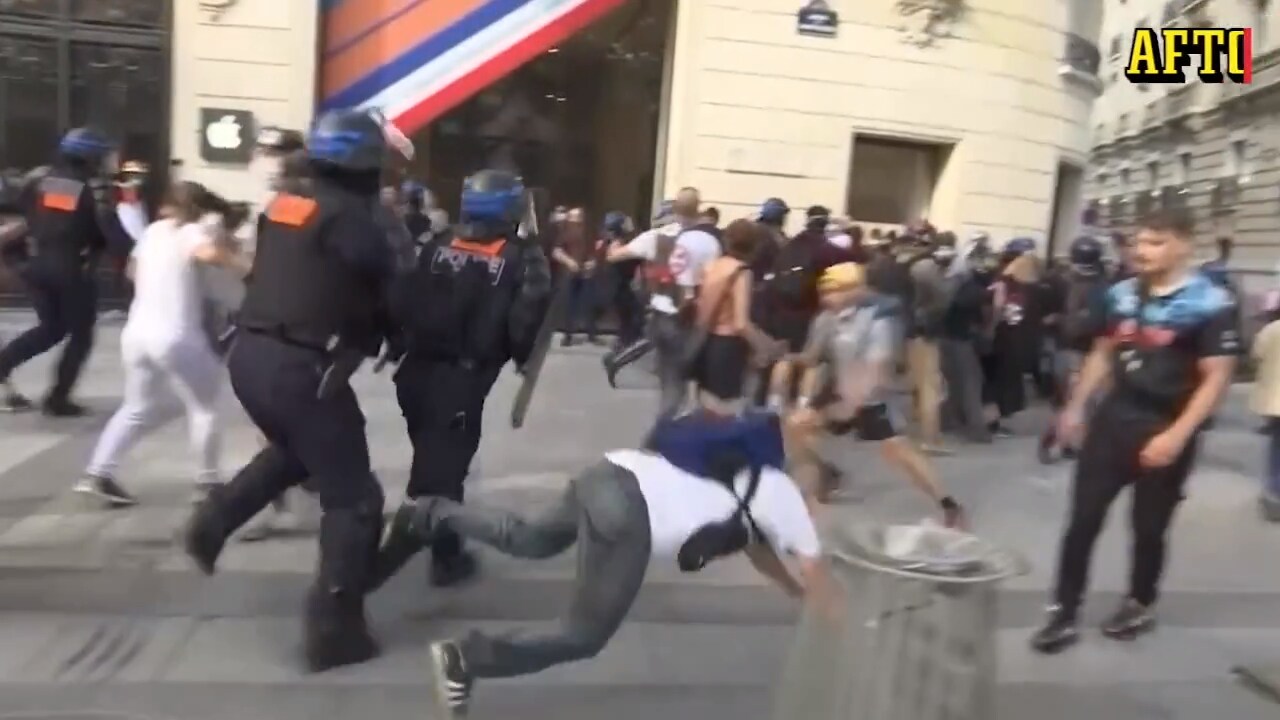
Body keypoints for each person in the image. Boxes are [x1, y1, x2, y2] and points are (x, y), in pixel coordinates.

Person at [402, 410, 826, 717]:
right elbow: (817, 576)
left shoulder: (750, 460)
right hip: (627, 516)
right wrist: (841, 614)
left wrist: (791, 590)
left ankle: (428, 512)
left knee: (529, 538)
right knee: (582, 636)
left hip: (610, 472)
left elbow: (758, 547)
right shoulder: (786, 496)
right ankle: (467, 659)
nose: (819, 502)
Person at [181, 108, 398, 672]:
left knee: (301, 451)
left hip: (250, 355)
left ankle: (215, 520)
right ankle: (332, 631)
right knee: (355, 499)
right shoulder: (351, 217)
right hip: (299, 367)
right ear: (364, 163)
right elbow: (389, 279)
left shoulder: (286, 203)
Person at [1031, 211, 1239, 654]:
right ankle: (1063, 613)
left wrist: (1177, 436)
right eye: (1139, 242)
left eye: (1156, 242)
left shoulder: (1211, 303)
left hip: (1165, 425)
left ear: (1184, 245)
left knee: (1148, 529)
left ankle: (1139, 602)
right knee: (1082, 522)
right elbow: (1103, 353)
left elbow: (1216, 379)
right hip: (1113, 422)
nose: (1142, 251)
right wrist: (1074, 410)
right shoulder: (1120, 295)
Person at [374, 169, 552, 590]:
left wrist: (396, 343)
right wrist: (523, 358)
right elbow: (523, 324)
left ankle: (446, 551)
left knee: (437, 463)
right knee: (437, 477)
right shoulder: (522, 257)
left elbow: (401, 295)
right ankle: (366, 577)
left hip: (414, 373)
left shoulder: (436, 243)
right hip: (462, 378)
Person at [77, 182, 249, 506]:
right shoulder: (194, 232)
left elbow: (131, 271)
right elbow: (209, 254)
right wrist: (249, 269)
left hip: (137, 335)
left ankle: (97, 473)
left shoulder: (153, 231)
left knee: (136, 407)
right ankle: (207, 481)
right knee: (205, 407)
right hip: (177, 337)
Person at [785, 262, 964, 525]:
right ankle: (827, 473)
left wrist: (854, 401)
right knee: (794, 426)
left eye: (833, 291)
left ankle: (948, 504)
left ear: (855, 290)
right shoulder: (825, 319)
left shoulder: (880, 319)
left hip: (873, 398)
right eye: (823, 292)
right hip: (837, 392)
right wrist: (784, 357)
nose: (826, 298)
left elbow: (879, 365)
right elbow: (812, 356)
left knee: (898, 453)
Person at [0, 128, 120, 415]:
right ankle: (58, 398)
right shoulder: (86, 188)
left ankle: (2, 364)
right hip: (69, 269)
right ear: (88, 157)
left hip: (37, 266)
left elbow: (33, 217)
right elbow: (97, 231)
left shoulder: (41, 181)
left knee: (51, 328)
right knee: (81, 335)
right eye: (100, 157)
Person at [603, 192, 721, 415]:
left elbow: (614, 256)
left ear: (675, 211)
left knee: (670, 379)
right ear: (699, 209)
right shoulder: (709, 241)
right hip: (690, 316)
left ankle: (673, 425)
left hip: (661, 310)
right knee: (686, 382)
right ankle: (663, 435)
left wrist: (614, 239)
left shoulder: (655, 237)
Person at [691, 219, 779, 413]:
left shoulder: (712, 267)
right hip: (729, 347)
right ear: (755, 246)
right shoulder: (741, 272)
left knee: (706, 407)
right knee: (726, 411)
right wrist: (766, 345)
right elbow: (741, 323)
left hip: (707, 342)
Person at [1038, 236, 1109, 462]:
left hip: (1067, 347)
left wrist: (1057, 320)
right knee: (1078, 398)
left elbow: (1047, 312)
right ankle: (1061, 441)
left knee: (1069, 397)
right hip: (1083, 348)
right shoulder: (1103, 284)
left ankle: (1063, 441)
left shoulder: (1059, 280)